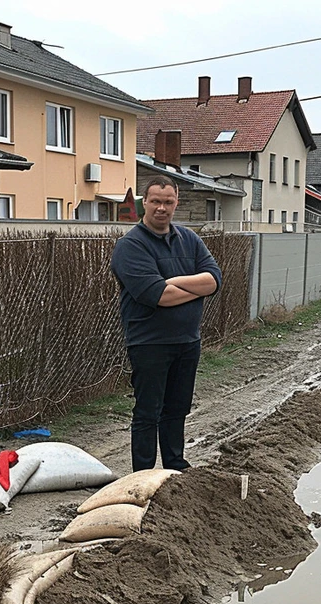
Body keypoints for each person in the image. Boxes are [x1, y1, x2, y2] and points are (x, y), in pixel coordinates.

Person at [110, 177, 222, 472]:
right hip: (149, 342)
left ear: (176, 203)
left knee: (178, 409)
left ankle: (175, 466)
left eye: (168, 202)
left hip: (187, 341)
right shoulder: (130, 246)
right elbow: (157, 295)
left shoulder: (189, 239)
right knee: (148, 412)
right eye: (156, 201)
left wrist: (174, 283)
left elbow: (214, 280)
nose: (162, 208)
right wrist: (189, 288)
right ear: (144, 202)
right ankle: (143, 475)